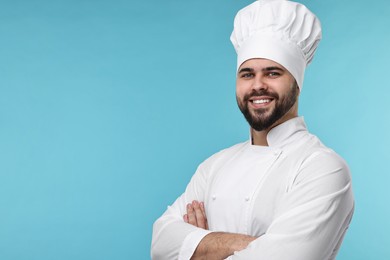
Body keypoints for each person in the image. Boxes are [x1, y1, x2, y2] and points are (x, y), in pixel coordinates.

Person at [151, 0, 354, 259]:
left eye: (272, 73)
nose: (257, 85)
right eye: (247, 74)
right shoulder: (214, 166)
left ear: (297, 82)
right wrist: (253, 244)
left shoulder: (322, 168)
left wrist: (196, 246)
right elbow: (160, 244)